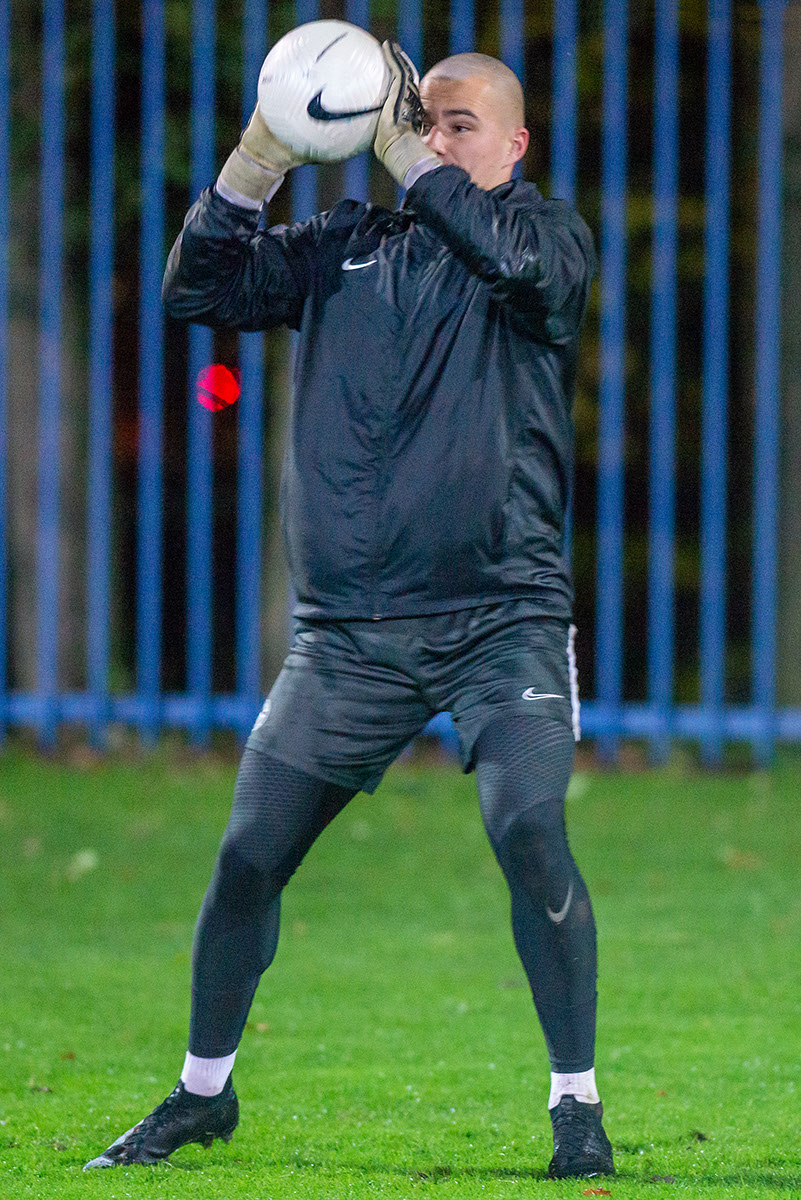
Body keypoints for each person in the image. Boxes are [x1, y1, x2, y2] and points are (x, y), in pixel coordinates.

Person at [84, 41, 612, 1180]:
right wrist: (254, 162)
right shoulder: (344, 245)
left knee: (530, 830)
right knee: (246, 860)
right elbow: (198, 292)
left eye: (459, 125)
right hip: (348, 637)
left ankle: (576, 1107)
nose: (432, 138)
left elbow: (515, 264)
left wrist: (412, 161)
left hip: (499, 621)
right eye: (424, 119)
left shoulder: (545, 237)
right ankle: (203, 1095)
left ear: (515, 144)